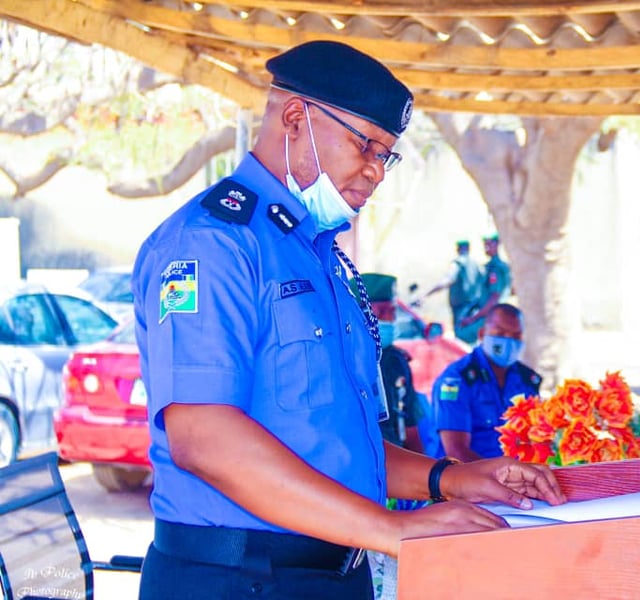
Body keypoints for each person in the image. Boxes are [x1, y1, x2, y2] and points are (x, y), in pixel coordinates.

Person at [131, 40, 566, 600]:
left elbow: (333, 441)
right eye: (366, 145)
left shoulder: (316, 251)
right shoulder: (210, 245)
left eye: (387, 155)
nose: (376, 171)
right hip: (239, 579)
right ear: (295, 117)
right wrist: (393, 529)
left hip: (335, 572)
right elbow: (204, 438)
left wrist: (447, 478)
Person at [431, 303, 542, 462]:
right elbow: (456, 451)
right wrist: (501, 478)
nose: (508, 342)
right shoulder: (457, 380)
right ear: (482, 334)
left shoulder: (527, 380)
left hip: (518, 478)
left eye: (516, 336)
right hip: (465, 480)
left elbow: (536, 439)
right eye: (500, 333)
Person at [354, 272, 423, 453]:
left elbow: (410, 430)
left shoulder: (396, 361)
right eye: (381, 312)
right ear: (356, 313)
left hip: (397, 467)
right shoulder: (341, 361)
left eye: (391, 312)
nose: (388, 319)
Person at [413, 240, 483, 344]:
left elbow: (448, 280)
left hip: (461, 311)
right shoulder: (477, 265)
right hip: (474, 310)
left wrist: (426, 295)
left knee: (461, 343)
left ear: (458, 249)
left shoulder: (458, 263)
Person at [458, 233, 512, 334]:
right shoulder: (496, 266)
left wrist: (472, 319)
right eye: (485, 245)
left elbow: (493, 299)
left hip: (491, 317)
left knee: (464, 335)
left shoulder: (495, 268)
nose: (486, 248)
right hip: (497, 315)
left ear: (497, 245)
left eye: (489, 244)